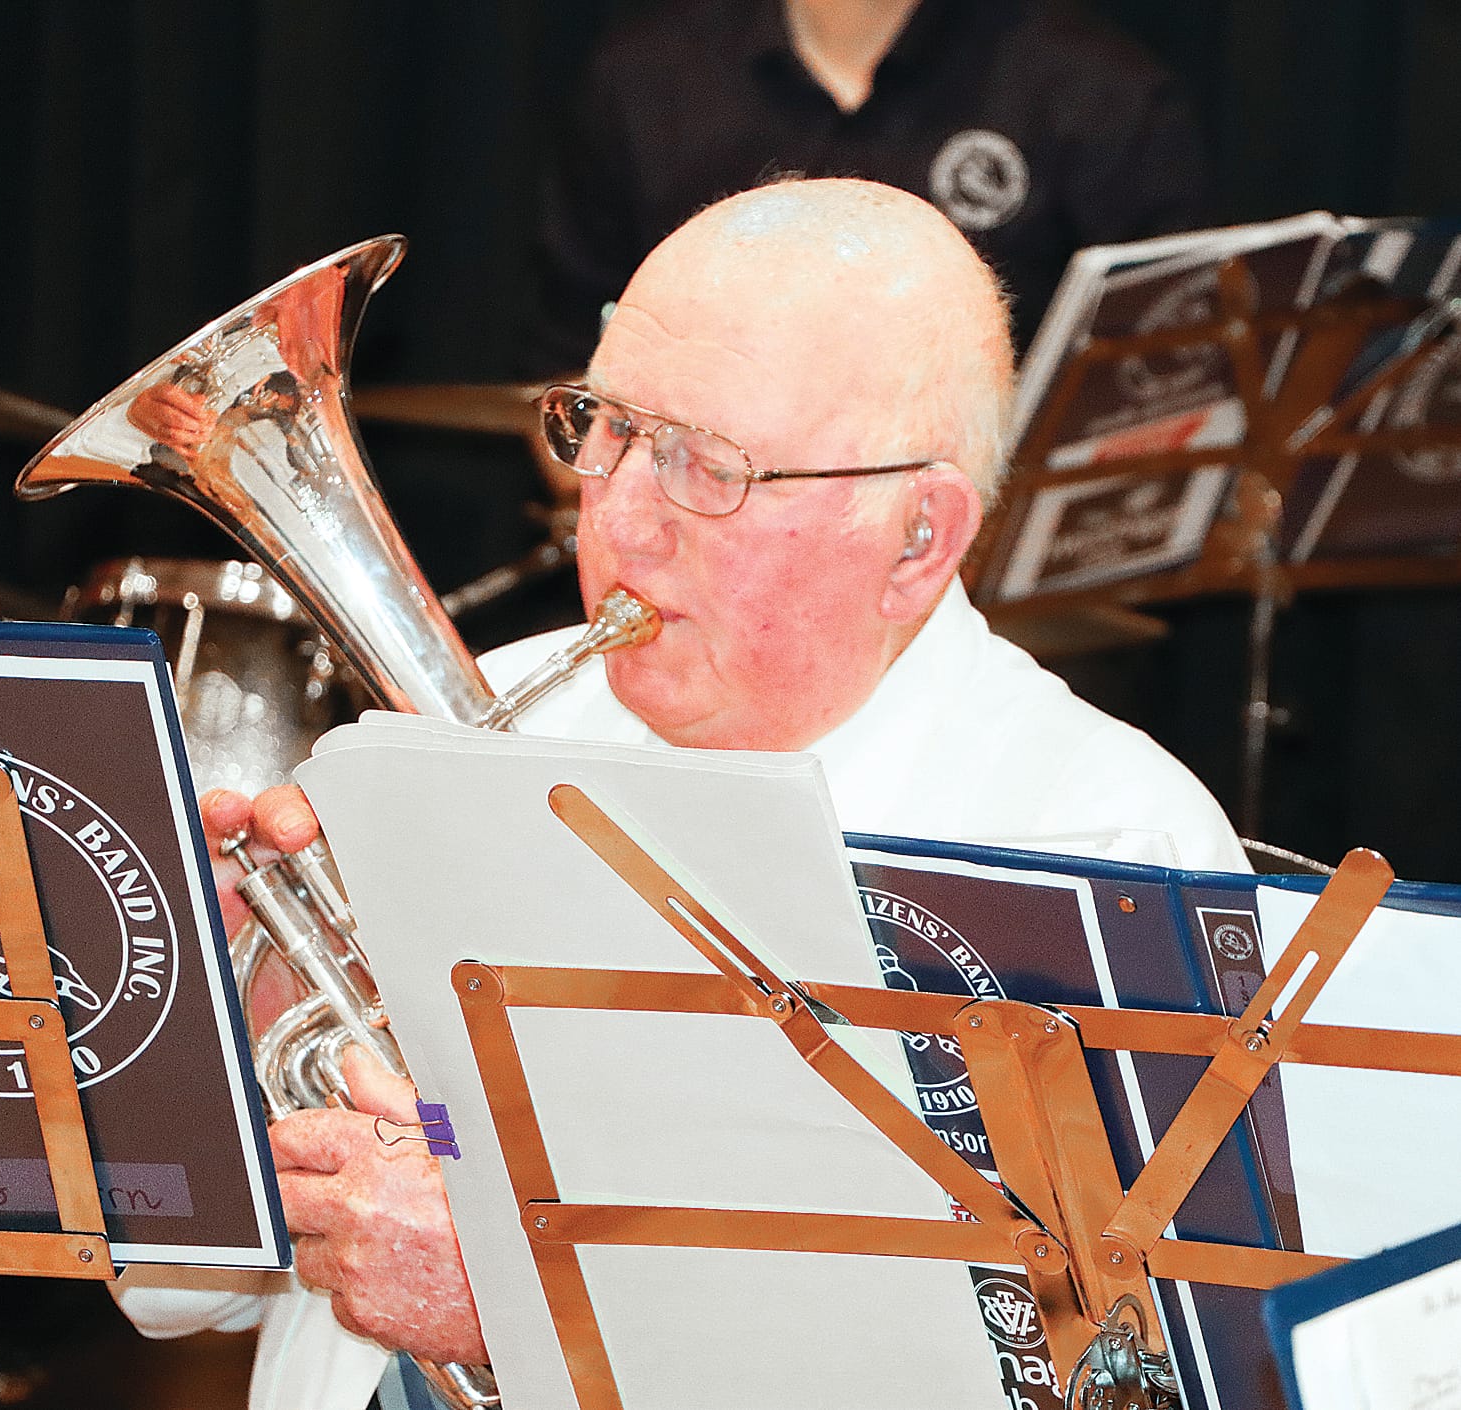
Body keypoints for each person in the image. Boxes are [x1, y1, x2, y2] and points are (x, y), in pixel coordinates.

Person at [116, 177, 1247, 1409]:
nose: (621, 519)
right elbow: (176, 1289)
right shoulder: (460, 721)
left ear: (918, 537)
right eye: (604, 428)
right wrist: (220, 1021)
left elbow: (1106, 1383)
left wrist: (533, 1305)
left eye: (709, 466)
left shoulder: (1096, 852)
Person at [529, 0, 1208, 372]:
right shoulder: (643, 79)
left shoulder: (1097, 90)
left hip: (991, 566)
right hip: (715, 536)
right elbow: (564, 356)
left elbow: (1162, 371)